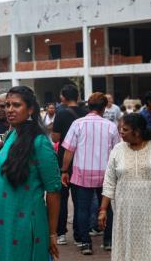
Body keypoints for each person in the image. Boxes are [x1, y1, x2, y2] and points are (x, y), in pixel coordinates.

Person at [0, 86, 60, 261]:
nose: (9, 110)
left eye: (16, 105)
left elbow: (53, 191)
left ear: (30, 109)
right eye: (7, 105)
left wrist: (52, 233)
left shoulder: (39, 142)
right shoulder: (11, 135)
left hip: (24, 219)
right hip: (0, 215)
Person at [100, 113, 151, 260]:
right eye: (120, 129)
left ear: (136, 131)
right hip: (126, 212)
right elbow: (109, 182)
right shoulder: (118, 149)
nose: (121, 133)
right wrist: (103, 210)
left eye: (124, 129)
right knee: (129, 249)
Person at [60, 92, 120, 255]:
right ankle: (108, 241)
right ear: (104, 107)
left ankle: (86, 243)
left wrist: (64, 170)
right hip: (106, 175)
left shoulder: (78, 124)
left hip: (82, 174)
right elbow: (117, 152)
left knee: (82, 209)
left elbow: (68, 151)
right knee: (107, 208)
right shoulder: (111, 126)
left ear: (88, 106)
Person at [51, 84, 86, 245]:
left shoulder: (61, 114)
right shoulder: (86, 113)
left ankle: (61, 233)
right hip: (82, 160)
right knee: (80, 200)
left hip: (64, 161)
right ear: (77, 97)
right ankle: (80, 236)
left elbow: (55, 138)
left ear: (63, 97)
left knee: (62, 198)